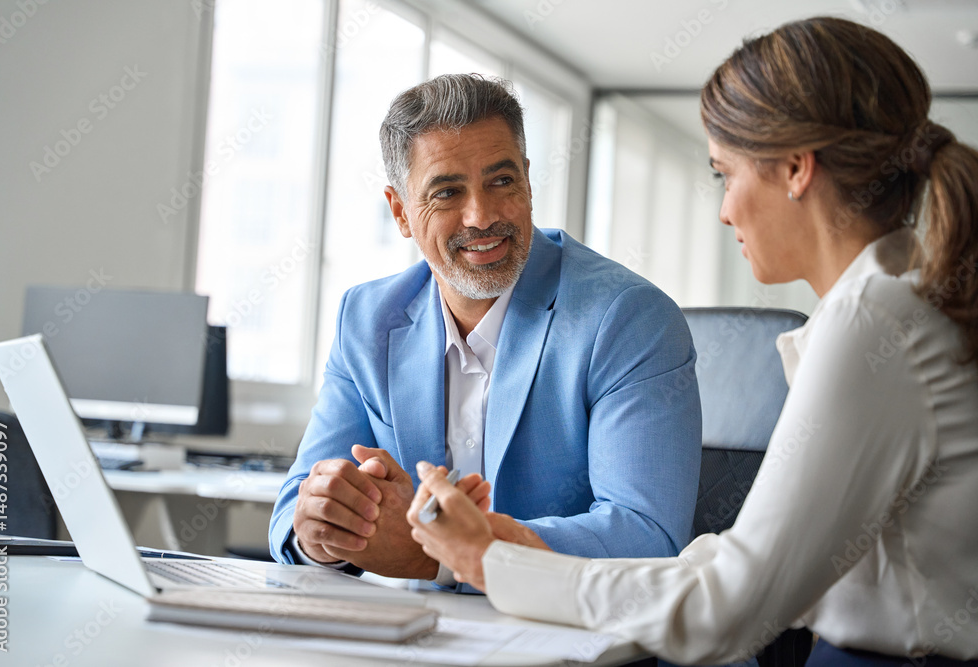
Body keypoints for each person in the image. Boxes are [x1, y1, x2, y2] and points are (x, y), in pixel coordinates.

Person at [407, 17, 978, 664]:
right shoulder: (896, 308)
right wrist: (514, 549)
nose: (725, 209)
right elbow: (739, 566)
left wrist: (487, 563)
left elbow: (729, 603)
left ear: (795, 168)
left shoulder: (876, 323)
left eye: (724, 174)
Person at [268, 74, 703, 588]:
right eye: (447, 192)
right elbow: (293, 512)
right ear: (401, 212)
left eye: (502, 181)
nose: (482, 216)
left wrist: (452, 556)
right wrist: (323, 531)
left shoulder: (627, 318)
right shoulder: (367, 319)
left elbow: (647, 536)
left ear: (528, 183)